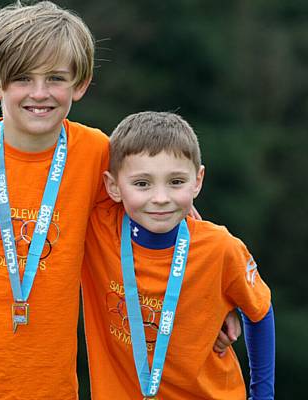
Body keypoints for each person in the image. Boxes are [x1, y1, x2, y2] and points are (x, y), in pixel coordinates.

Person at [0, 2, 239, 399]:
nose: (39, 93)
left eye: (55, 78)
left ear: (80, 84)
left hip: (50, 386)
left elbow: (169, 213)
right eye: (21, 78)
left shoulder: (98, 154)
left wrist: (221, 298)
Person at [81, 111, 275, 399]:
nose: (161, 198)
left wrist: (263, 396)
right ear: (113, 186)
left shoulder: (221, 247)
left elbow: (260, 312)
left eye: (176, 182)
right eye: (142, 183)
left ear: (197, 181)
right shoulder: (96, 228)